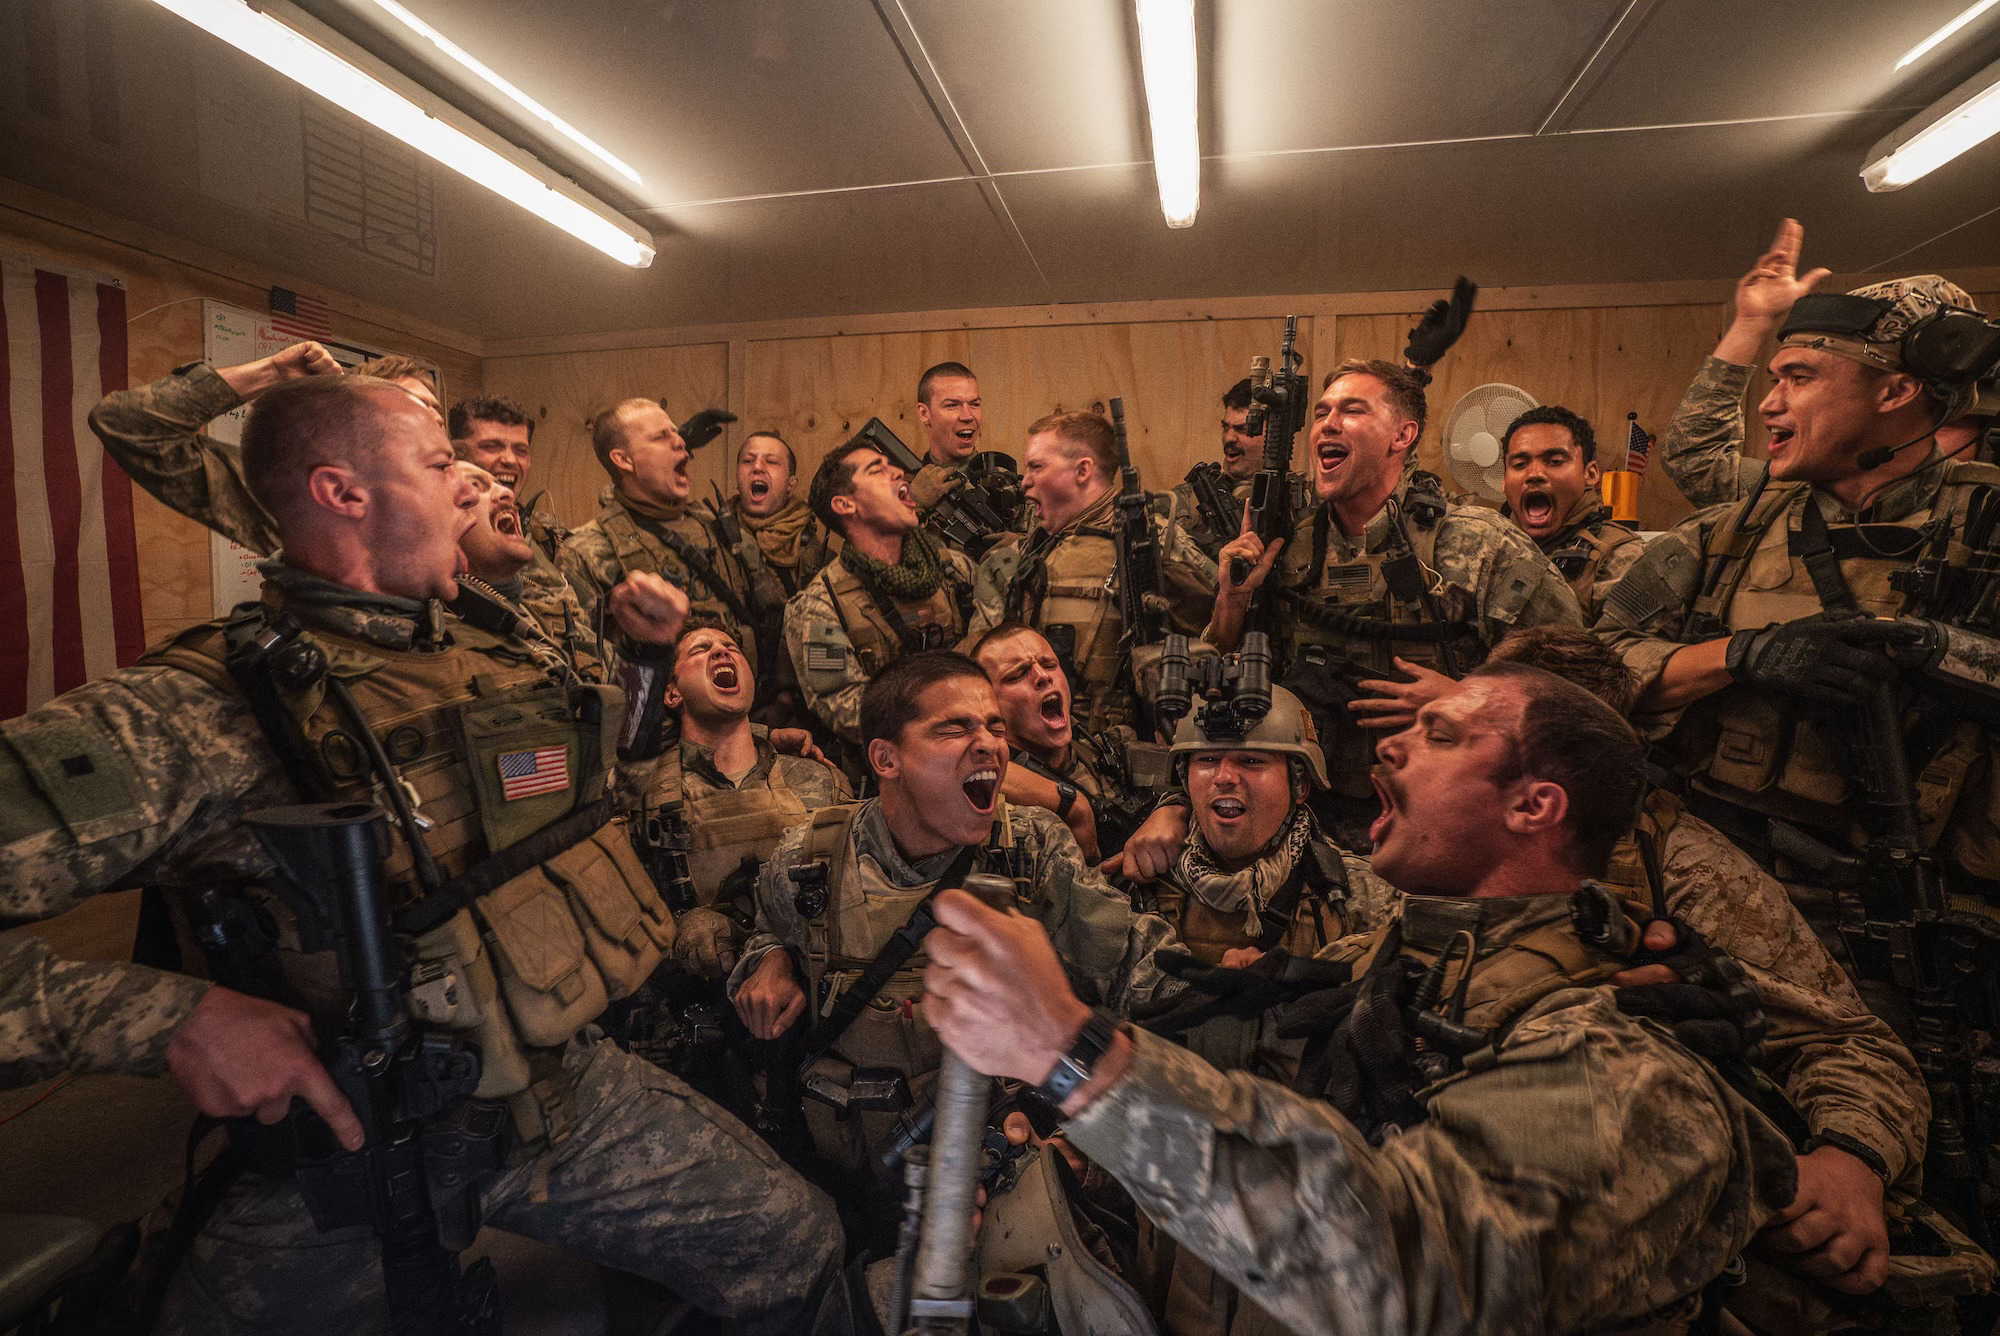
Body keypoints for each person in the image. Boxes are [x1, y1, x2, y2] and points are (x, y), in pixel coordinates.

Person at [5, 374, 851, 1334]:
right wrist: (169, 1016)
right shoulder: (199, 708)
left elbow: (625, 777)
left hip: (563, 1090)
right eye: (443, 461)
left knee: (800, 1244)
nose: (478, 486)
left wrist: (651, 662)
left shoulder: (494, 645)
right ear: (344, 494)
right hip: (351, 1148)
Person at [922, 664, 1799, 1334]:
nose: (1385, 746)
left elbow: (1405, 1270)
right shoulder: (1397, 958)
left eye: (1442, 735)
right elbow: (1226, 1045)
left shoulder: (1622, 1060)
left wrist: (1078, 1058)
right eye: (1208, 764)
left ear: (1535, 805)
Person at [726, 651, 1183, 1199]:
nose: (990, 742)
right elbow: (768, 927)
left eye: (994, 725)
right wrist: (769, 961)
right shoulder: (810, 856)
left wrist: (1219, 987)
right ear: (886, 759)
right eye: (955, 728)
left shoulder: (1031, 848)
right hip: (836, 1180)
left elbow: (1135, 963)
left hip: (990, 1183)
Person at [1210, 357, 1582, 847]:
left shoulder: (1477, 544)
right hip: (1310, 824)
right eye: (1321, 413)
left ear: (1402, 436)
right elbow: (1231, 671)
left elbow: (1580, 689)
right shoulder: (1285, 544)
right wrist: (1232, 601)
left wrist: (1465, 702)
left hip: (1447, 824)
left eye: (1352, 410)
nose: (1328, 424)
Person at [1659, 220, 1992, 507]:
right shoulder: (1776, 503)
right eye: (1777, 380)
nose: (1767, 405)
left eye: (1801, 378)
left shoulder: (1984, 520)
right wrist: (1750, 324)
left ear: (1896, 393)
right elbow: (1693, 458)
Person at [967, 410, 1218, 734]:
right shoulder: (1025, 555)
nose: (1025, 480)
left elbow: (1218, 644)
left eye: (1036, 467)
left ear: (1082, 470)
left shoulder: (1155, 543)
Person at [785, 439, 976, 748]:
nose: (899, 474)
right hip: (893, 767)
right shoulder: (820, 605)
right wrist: (936, 721)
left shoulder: (953, 570)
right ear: (845, 504)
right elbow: (842, 704)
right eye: (877, 470)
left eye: (893, 467)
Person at [558, 397, 758, 663]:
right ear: (623, 459)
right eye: (661, 437)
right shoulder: (585, 552)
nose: (681, 442)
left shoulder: (720, 528)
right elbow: (582, 662)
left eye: (678, 433)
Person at [707, 431, 833, 725]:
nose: (757, 467)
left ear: (791, 484)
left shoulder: (816, 556)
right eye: (748, 460)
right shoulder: (712, 541)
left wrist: (787, 700)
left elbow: (826, 639)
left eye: (771, 462)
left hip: (801, 714)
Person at [1498, 404, 1644, 618]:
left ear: (1591, 473)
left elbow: (1630, 646)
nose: (1534, 474)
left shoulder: (1620, 557)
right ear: (1503, 481)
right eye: (1520, 464)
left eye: (1554, 462)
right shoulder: (1484, 545)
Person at [449, 392, 570, 562]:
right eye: (491, 447)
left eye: (521, 450)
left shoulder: (551, 535)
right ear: (455, 454)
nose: (510, 460)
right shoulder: (440, 537)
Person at [1168, 378, 1264, 560]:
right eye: (1225, 427)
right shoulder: (1189, 500)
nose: (1229, 438)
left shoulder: (1298, 499)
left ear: (1271, 433)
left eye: (1241, 429)